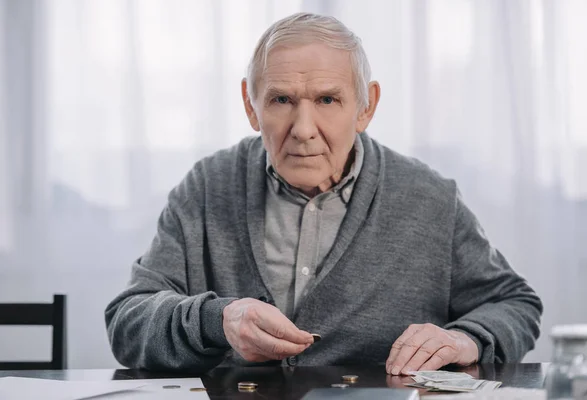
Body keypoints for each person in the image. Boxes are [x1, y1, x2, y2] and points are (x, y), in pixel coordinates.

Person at [105, 12, 542, 375]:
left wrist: (464, 339)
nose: (303, 129)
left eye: (328, 100)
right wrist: (216, 321)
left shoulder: (429, 198)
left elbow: (514, 304)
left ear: (366, 106)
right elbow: (128, 322)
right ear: (249, 104)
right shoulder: (206, 187)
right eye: (281, 100)